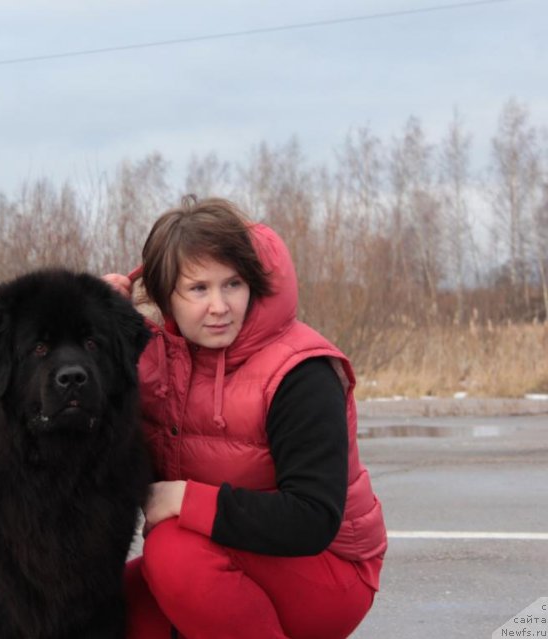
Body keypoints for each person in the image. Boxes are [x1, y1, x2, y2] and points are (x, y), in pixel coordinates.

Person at [104, 195, 386, 639]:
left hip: (327, 570)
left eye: (232, 284)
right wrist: (97, 322)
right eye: (198, 289)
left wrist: (183, 498)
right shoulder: (156, 362)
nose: (219, 306)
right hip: (222, 559)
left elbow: (312, 518)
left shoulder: (300, 371)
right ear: (164, 297)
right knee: (103, 611)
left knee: (173, 551)